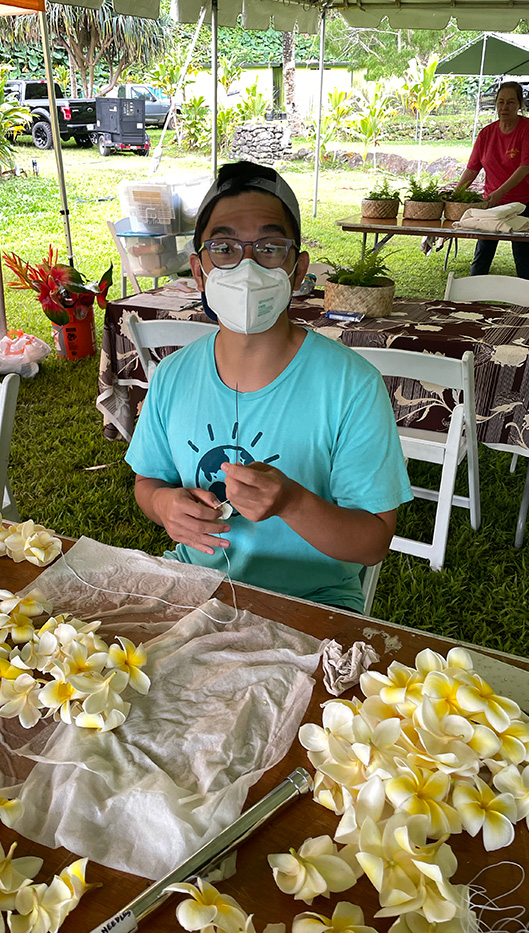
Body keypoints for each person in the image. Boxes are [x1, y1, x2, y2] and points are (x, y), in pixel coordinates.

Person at [124, 161, 412, 612]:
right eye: (224, 247)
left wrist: (293, 502)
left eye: (269, 247)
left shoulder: (351, 386)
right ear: (199, 272)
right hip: (193, 585)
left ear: (298, 271)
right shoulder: (173, 376)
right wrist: (164, 506)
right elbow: (147, 482)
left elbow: (372, 542)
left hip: (313, 602)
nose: (246, 265)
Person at [450, 81, 529, 281]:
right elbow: (472, 168)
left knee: (523, 254)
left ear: (520, 104)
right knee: (483, 251)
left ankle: (528, 304)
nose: (505, 107)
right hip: (492, 202)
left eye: (511, 102)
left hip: (525, 200)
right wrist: (455, 195)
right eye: (501, 102)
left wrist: (500, 192)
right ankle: (471, 298)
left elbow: (526, 166)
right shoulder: (486, 133)